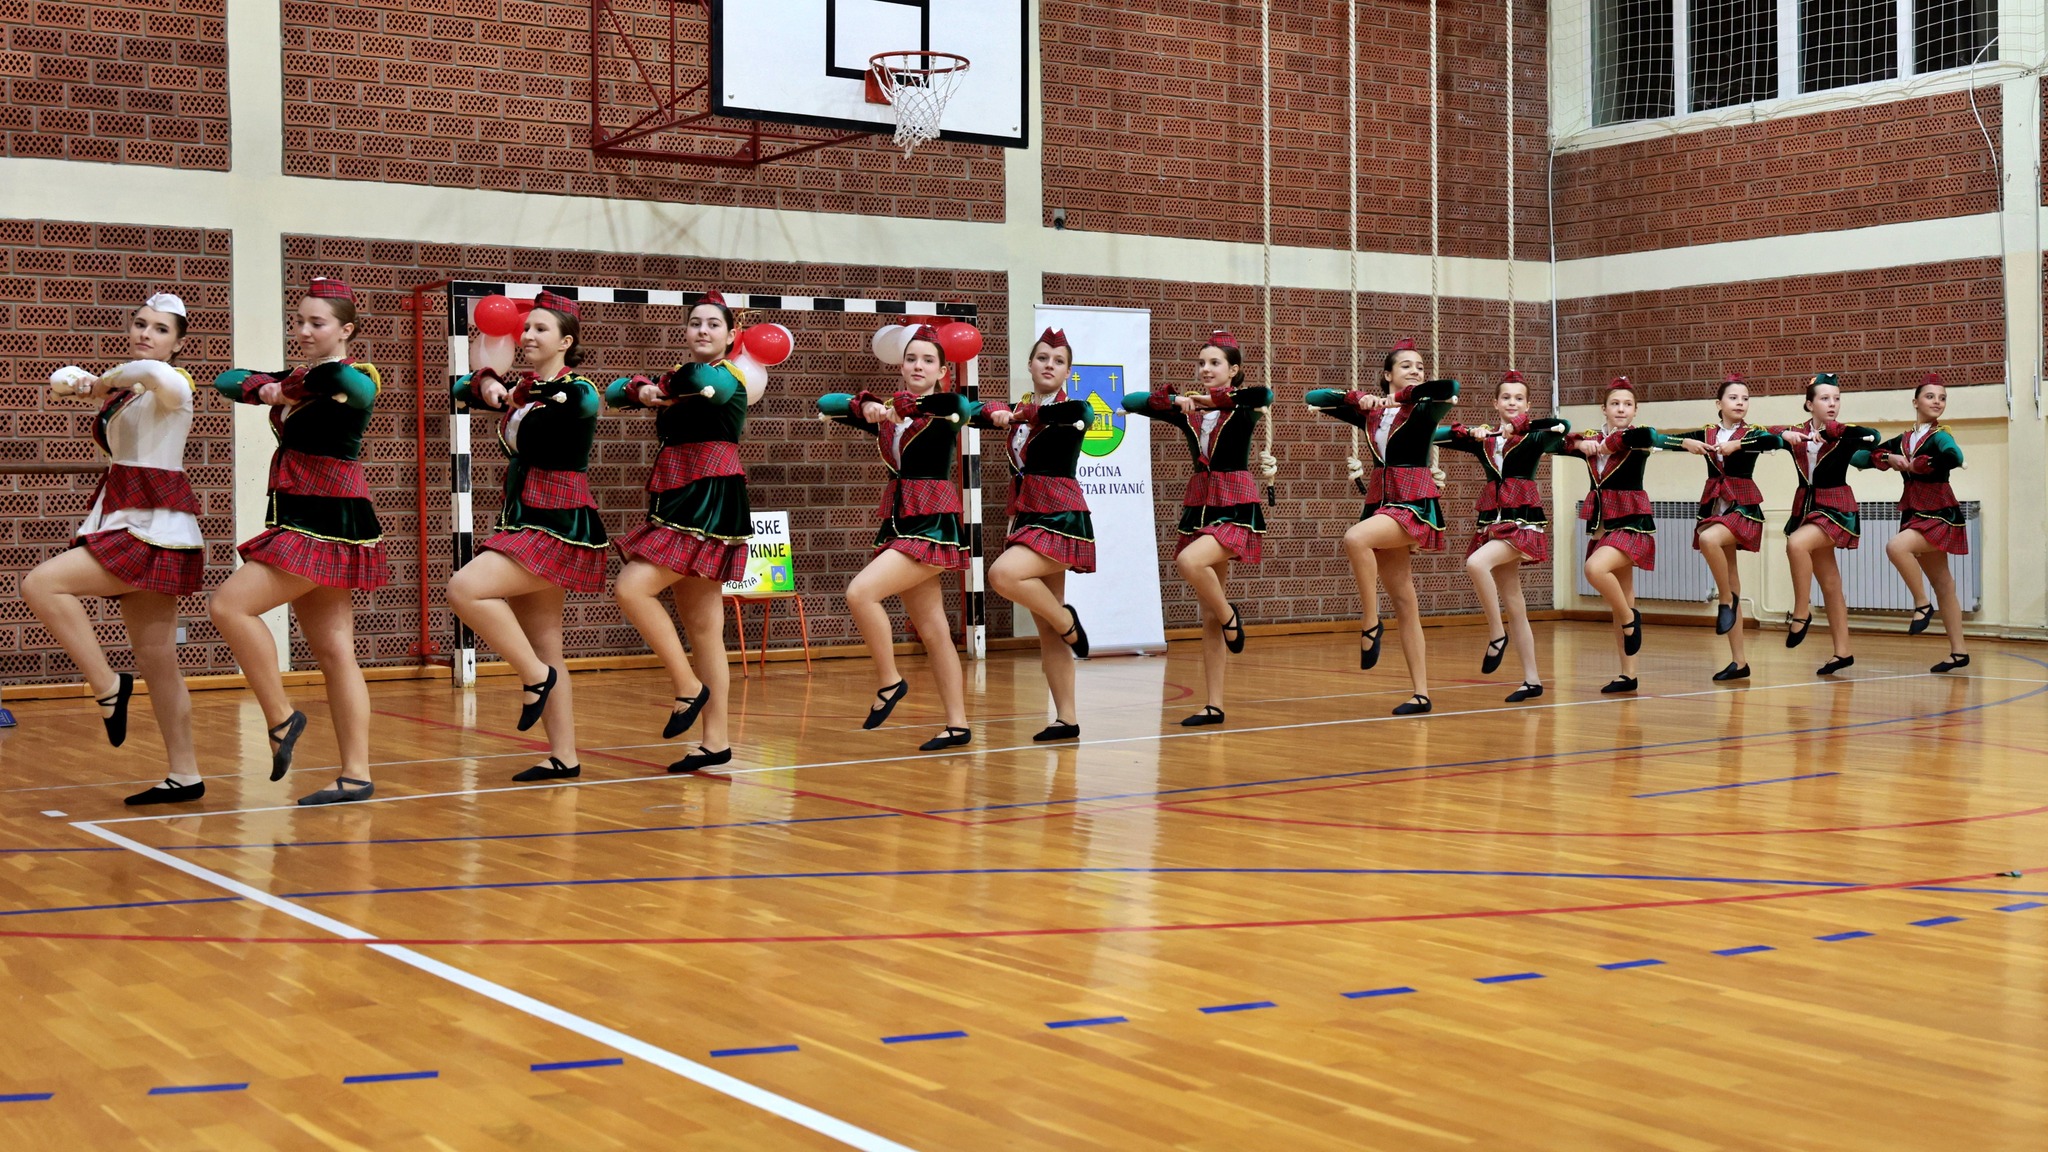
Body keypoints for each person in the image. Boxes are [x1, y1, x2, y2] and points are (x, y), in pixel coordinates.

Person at [210, 278, 389, 805]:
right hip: (304, 516)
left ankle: (282, 718)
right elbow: (227, 380)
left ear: (346, 330)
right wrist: (277, 385)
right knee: (334, 651)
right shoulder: (300, 376)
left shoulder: (357, 376)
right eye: (301, 321)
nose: (305, 330)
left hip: (325, 517)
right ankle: (356, 774)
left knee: (230, 606)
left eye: (318, 323)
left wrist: (289, 388)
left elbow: (349, 385)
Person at [24, 293, 206, 805]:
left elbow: (152, 374)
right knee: (158, 660)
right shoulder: (127, 392)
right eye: (141, 324)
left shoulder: (174, 385)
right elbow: (64, 380)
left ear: (178, 343)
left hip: (150, 525)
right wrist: (81, 382)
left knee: (41, 584)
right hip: (128, 517)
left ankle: (108, 687)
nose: (147, 333)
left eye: (161, 329)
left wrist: (103, 380)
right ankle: (185, 774)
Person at [448, 292, 606, 781]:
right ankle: (564, 755)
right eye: (527, 328)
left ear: (566, 342)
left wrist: (517, 395)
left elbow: (579, 403)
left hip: (558, 520)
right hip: (523, 516)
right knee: (545, 643)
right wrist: (491, 385)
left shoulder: (577, 388)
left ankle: (536, 678)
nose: (528, 336)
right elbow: (460, 387)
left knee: (464, 589)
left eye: (540, 329)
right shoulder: (524, 387)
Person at [608, 292, 755, 772]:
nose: (703, 330)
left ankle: (688, 686)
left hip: (709, 496)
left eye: (713, 324)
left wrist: (659, 387)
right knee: (704, 626)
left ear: (731, 335)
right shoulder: (679, 375)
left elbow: (698, 381)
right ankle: (716, 742)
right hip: (676, 491)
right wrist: (642, 390)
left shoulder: (729, 376)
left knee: (632, 588)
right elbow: (612, 392)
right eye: (695, 323)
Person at [819, 326, 980, 751]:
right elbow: (826, 403)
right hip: (898, 518)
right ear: (901, 365)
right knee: (933, 628)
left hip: (931, 522)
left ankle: (890, 681)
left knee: (860, 593)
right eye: (911, 359)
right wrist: (867, 406)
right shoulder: (889, 415)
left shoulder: (944, 410)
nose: (918, 366)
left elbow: (958, 405)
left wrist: (901, 407)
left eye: (928, 361)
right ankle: (958, 724)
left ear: (942, 371)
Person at [1121, 331, 1270, 727]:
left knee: (1190, 563)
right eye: (1202, 363)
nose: (1206, 369)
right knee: (1207, 613)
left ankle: (1230, 615)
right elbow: (1130, 401)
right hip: (1201, 502)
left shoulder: (1242, 406)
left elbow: (1264, 395)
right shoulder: (1189, 411)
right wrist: (1176, 402)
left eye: (1215, 363)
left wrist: (1207, 400)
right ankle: (1213, 704)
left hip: (1235, 500)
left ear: (1233, 370)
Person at [1305, 338, 1457, 715]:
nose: (1415, 370)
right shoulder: (1372, 414)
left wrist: (1401, 397)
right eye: (1406, 365)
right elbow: (1316, 397)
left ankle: (1370, 622)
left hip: (1414, 503)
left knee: (1355, 538)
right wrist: (1361, 399)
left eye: (1419, 366)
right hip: (1382, 502)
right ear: (1387, 374)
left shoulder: (1426, 406)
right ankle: (1421, 693)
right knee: (1404, 600)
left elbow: (1447, 387)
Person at [981, 327, 1093, 741]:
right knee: (1046, 625)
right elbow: (973, 409)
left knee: (1003, 575)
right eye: (1043, 357)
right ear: (1030, 364)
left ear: (1067, 372)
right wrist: (998, 410)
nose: (1049, 364)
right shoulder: (1019, 409)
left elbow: (1078, 413)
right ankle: (1067, 719)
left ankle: (1068, 621)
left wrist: (1020, 414)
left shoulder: (1073, 409)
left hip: (1061, 514)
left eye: (1059, 361)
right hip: (1026, 513)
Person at [1431, 369, 1569, 702]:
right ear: (1495, 403)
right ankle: (1532, 680)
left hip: (1522, 522)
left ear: (1527, 404)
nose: (1512, 402)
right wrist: (1470, 432)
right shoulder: (1487, 440)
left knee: (1476, 564)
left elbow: (1561, 426)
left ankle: (1496, 633)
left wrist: (1519, 426)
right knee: (1515, 603)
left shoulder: (1534, 436)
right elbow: (1433, 434)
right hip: (1494, 519)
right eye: (1506, 397)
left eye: (1519, 398)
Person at [1562, 377, 1678, 694]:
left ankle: (1630, 618)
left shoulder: (1637, 439)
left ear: (1635, 410)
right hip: (1603, 523)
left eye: (1628, 404)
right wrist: (1578, 444)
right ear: (1604, 409)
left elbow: (1648, 435)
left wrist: (1611, 443)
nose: (1621, 409)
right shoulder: (1591, 439)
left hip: (1631, 522)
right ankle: (1628, 675)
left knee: (1594, 569)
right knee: (1622, 596)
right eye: (1615, 404)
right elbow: (1556, 441)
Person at [1669, 374, 1782, 682]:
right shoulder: (1707, 432)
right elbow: (1663, 440)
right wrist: (1685, 442)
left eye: (1745, 398)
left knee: (1708, 540)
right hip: (1715, 506)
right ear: (1719, 404)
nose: (1740, 403)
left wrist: (1738, 444)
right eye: (1733, 398)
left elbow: (1775, 440)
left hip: (1743, 507)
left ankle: (1725, 600)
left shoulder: (1753, 432)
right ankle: (1739, 661)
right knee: (1731, 577)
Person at [1773, 374, 1880, 677]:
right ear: (1809, 404)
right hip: (1807, 507)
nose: (1832, 404)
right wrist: (1785, 435)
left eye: (1836, 398)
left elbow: (1873, 436)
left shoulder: (1844, 433)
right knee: (1831, 583)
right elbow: (1762, 433)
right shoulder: (1798, 433)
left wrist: (1834, 432)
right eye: (1824, 398)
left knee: (1796, 543)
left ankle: (1801, 612)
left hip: (1836, 508)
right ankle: (1842, 652)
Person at [1869, 373, 1970, 674]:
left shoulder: (1939, 436)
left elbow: (1954, 455)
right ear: (1915, 402)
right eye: (1930, 396)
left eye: (1942, 398)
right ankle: (1959, 652)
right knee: (1944, 583)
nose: (1937, 401)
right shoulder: (1903, 440)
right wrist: (1889, 458)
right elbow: (1866, 455)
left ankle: (1922, 604)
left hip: (1939, 511)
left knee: (1896, 547)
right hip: (1915, 510)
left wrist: (1927, 464)